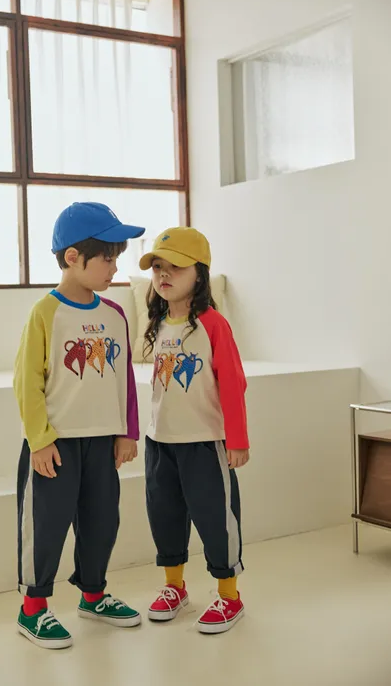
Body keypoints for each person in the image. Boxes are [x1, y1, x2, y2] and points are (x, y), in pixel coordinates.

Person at [14, 202, 144, 649]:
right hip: (56, 445)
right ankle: (33, 609)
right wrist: (39, 440)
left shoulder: (115, 315)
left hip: (102, 443)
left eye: (116, 257)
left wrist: (127, 431)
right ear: (73, 257)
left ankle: (93, 596)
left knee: (101, 522)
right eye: (107, 257)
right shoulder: (45, 313)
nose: (115, 267)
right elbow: (26, 382)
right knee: (46, 527)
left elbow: (124, 378)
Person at [140, 227, 250, 635]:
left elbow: (233, 383)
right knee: (164, 516)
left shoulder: (213, 324)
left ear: (199, 274)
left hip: (203, 442)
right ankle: (175, 587)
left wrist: (237, 439)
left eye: (176, 267)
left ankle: (229, 596)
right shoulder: (158, 322)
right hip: (160, 442)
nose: (163, 274)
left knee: (216, 519)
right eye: (157, 267)